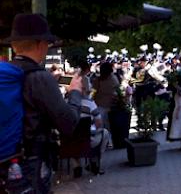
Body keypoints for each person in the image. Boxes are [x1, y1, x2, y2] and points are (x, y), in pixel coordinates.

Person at [4, 13, 83, 194]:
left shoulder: (8, 74)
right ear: (40, 44)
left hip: (7, 160)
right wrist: (75, 93)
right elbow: (68, 123)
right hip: (31, 163)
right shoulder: (39, 76)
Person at [72, 83, 111, 177]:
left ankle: (76, 166)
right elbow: (99, 123)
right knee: (105, 133)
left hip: (71, 142)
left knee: (73, 135)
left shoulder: (66, 103)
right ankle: (94, 161)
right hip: (89, 141)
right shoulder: (90, 103)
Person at [93, 62, 119, 131]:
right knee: (109, 128)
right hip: (111, 107)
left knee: (100, 128)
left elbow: (93, 93)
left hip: (99, 106)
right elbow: (117, 92)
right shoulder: (114, 79)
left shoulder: (97, 80)